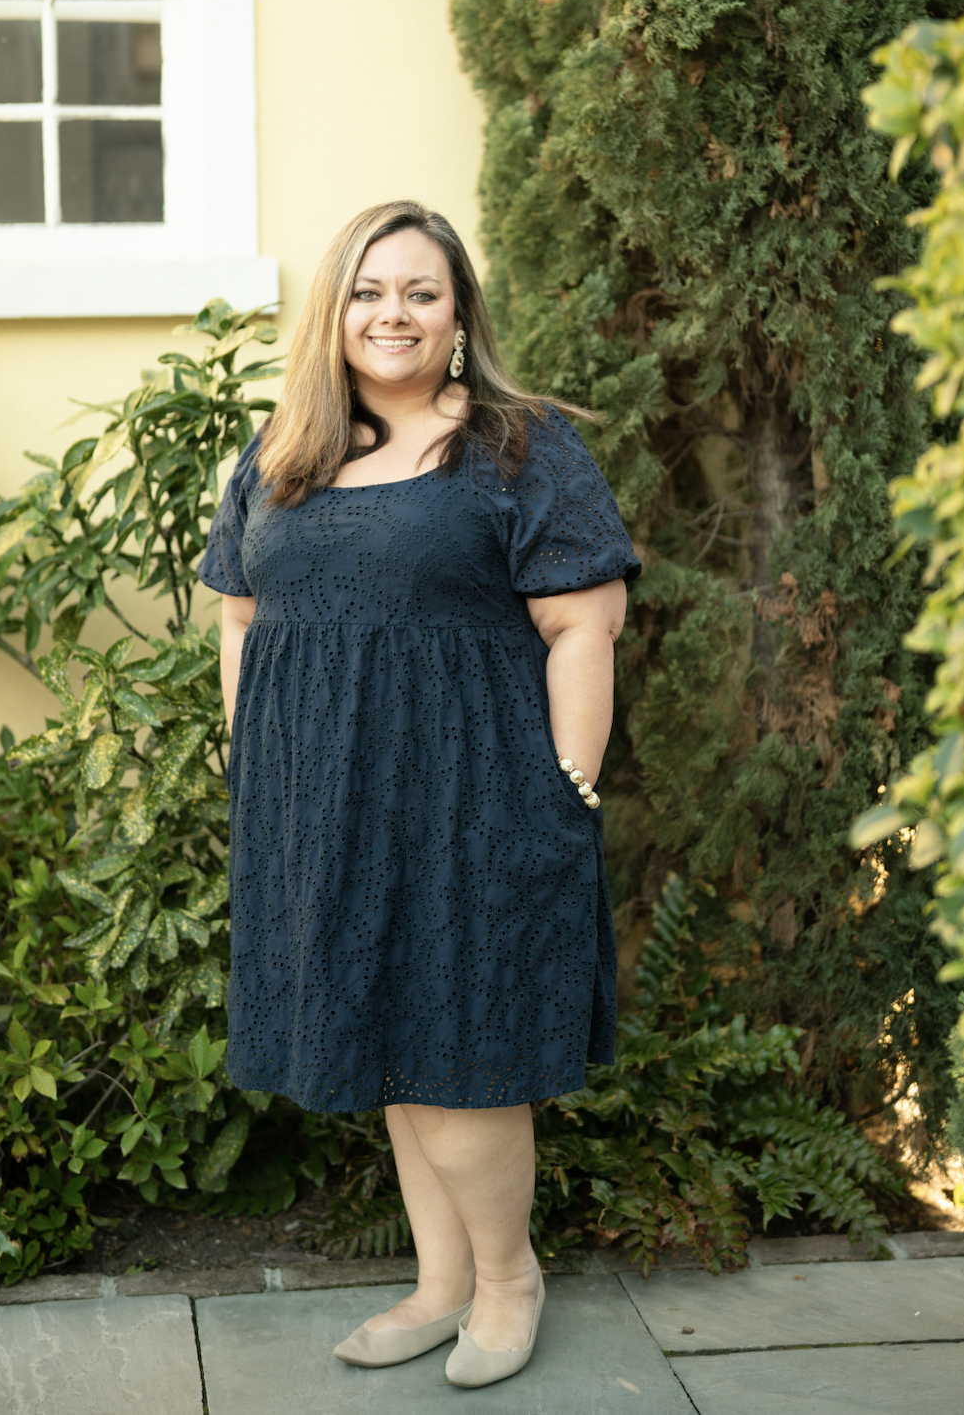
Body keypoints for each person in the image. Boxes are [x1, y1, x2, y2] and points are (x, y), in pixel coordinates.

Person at [198, 201, 639, 1388]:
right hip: (322, 804)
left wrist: (569, 788)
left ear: (458, 316)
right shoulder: (282, 451)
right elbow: (242, 615)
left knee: (460, 1055)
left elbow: (583, 623)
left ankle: (508, 1281)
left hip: (472, 797)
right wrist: (259, 770)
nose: (391, 313)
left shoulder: (517, 443)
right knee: (396, 1049)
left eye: (420, 293)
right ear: (333, 311)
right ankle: (441, 1286)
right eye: (368, 291)